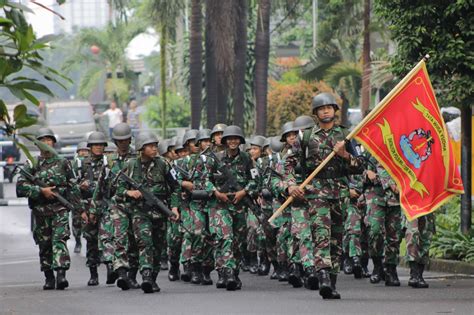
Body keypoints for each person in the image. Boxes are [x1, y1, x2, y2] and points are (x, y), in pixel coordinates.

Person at [278, 93, 364, 299]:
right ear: (315, 113)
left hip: (340, 193)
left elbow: (360, 166)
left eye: (329, 108)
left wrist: (344, 154)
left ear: (335, 110)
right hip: (316, 192)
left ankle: (331, 282)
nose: (325, 111)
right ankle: (323, 274)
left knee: (336, 238)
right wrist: (291, 185)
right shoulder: (306, 136)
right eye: (321, 108)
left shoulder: (346, 135)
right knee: (321, 235)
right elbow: (288, 163)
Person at [116, 132, 180, 293]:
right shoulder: (130, 165)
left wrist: (174, 208)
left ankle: (152, 278)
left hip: (160, 210)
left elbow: (176, 187)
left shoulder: (164, 164)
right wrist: (130, 193)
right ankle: (145, 274)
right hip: (139, 211)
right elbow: (118, 189)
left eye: (155, 145)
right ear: (141, 148)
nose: (154, 149)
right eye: (150, 146)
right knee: (145, 243)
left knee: (158, 246)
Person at [16, 128, 79, 290]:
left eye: (49, 140)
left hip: (60, 209)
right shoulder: (32, 164)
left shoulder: (64, 163)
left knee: (60, 240)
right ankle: (49, 276)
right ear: (37, 144)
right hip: (40, 211)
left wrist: (81, 210)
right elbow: (20, 188)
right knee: (44, 245)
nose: (46, 143)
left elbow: (74, 187)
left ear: (54, 143)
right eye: (43, 140)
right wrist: (41, 191)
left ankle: (61, 274)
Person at [204, 125, 257, 291]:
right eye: (229, 139)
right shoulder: (216, 158)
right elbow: (204, 179)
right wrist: (215, 192)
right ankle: (227, 273)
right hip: (220, 205)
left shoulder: (247, 159)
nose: (233, 141)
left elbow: (256, 180)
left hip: (240, 206)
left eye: (236, 139)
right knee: (224, 237)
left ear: (240, 141)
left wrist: (244, 191)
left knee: (238, 241)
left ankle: (232, 270)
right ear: (225, 141)